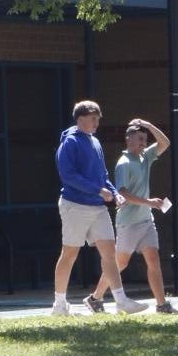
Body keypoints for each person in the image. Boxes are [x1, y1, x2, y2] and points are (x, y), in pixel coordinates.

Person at [52, 100, 143, 316]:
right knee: (70, 254)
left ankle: (120, 300)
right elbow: (68, 176)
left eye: (98, 119)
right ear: (80, 118)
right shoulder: (70, 142)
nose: (96, 123)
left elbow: (103, 176)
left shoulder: (95, 142)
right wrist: (97, 190)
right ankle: (59, 304)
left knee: (109, 253)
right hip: (74, 205)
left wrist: (115, 193)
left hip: (97, 207)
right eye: (93, 119)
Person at [90, 118, 173, 314]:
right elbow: (123, 193)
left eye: (145, 139)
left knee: (153, 260)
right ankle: (96, 297)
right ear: (129, 140)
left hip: (146, 221)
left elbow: (165, 143)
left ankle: (162, 305)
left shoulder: (146, 157)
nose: (144, 143)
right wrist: (149, 202)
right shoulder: (124, 163)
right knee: (120, 263)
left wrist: (148, 125)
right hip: (128, 223)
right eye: (140, 139)